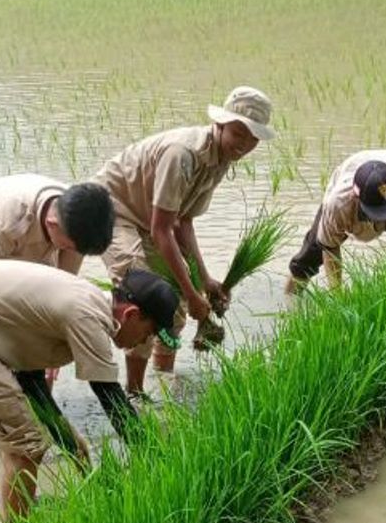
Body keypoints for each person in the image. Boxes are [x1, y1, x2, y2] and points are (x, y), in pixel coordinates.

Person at [0, 261, 180, 519]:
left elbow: (31, 381)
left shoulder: (86, 300)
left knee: (25, 441)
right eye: (151, 331)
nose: (147, 340)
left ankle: (21, 516)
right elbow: (112, 401)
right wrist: (159, 464)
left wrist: (72, 445)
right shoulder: (87, 316)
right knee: (27, 444)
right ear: (131, 314)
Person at [95, 85, 275, 394]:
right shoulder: (183, 155)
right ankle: (135, 393)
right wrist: (194, 295)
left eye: (253, 138)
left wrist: (203, 281)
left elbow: (184, 223)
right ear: (220, 125)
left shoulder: (221, 160)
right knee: (146, 297)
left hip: (149, 219)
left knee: (174, 301)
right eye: (239, 133)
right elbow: (162, 229)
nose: (244, 145)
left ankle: (164, 382)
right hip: (112, 210)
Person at [286, 149, 386, 293]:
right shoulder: (338, 203)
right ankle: (289, 300)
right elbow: (330, 249)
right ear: (356, 198)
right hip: (349, 177)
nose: (383, 218)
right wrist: (338, 298)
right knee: (310, 254)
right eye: (377, 213)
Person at [0, 173, 114, 270]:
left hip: (41, 248)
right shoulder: (4, 220)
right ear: (52, 224)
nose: (71, 251)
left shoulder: (81, 221)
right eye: (67, 247)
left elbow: (64, 281)